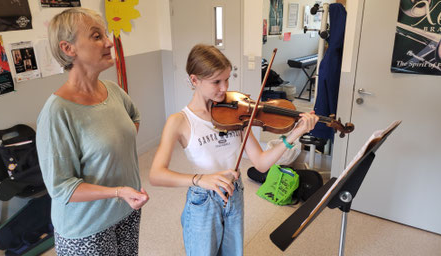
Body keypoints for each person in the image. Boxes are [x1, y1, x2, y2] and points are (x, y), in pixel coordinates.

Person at [149, 44, 318, 255]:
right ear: (194, 80)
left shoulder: (236, 112)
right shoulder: (180, 121)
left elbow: (262, 163)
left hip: (233, 194)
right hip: (203, 201)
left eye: (227, 79)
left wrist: (295, 134)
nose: (224, 88)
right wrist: (199, 179)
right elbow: (156, 175)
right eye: (216, 82)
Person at [36, 8, 149, 256]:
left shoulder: (112, 90)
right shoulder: (57, 112)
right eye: (97, 36)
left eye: (105, 34)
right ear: (69, 48)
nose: (109, 42)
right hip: (86, 227)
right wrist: (118, 191)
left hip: (126, 211)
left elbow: (134, 117)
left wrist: (114, 153)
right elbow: (61, 188)